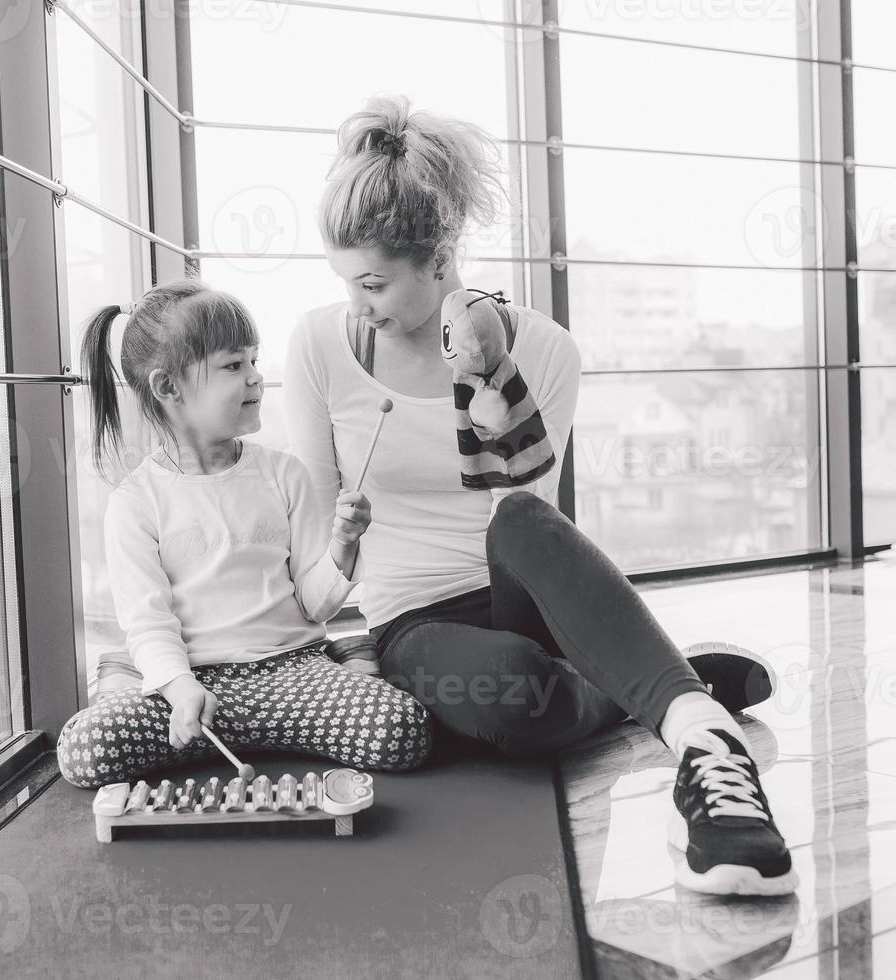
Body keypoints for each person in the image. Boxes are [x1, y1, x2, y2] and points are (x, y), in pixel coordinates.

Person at [282, 95, 797, 897]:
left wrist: (485, 389)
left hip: (519, 585)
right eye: (347, 283)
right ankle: (653, 680)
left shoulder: (548, 350)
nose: (358, 305)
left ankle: (702, 741)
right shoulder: (320, 345)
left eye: (375, 284)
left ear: (440, 255)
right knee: (516, 698)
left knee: (522, 513)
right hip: (413, 620)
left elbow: (525, 517)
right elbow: (316, 529)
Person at [56, 279, 432, 789]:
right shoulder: (135, 502)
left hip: (293, 670)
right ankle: (146, 687)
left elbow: (314, 606)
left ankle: (311, 680)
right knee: (86, 751)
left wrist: (343, 547)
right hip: (192, 682)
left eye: (255, 361)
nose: (257, 378)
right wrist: (180, 689)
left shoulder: (284, 474)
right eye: (235, 366)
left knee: (401, 731)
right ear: (168, 387)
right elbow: (148, 622)